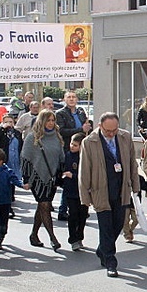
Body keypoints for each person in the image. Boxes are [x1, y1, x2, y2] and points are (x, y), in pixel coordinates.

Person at [79, 112, 140, 278]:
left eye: (114, 130)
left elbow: (132, 163)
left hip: (121, 189)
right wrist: (85, 196)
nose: (111, 134)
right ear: (100, 126)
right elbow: (84, 170)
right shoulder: (89, 142)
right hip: (101, 190)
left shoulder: (125, 137)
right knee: (105, 227)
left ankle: (102, 250)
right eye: (107, 131)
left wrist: (135, 185)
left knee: (118, 224)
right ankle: (111, 261)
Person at [21, 110, 65, 251]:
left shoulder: (57, 136)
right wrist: (26, 179)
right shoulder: (32, 137)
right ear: (42, 121)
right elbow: (26, 159)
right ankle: (53, 237)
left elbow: (61, 157)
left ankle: (34, 235)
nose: (51, 123)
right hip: (37, 178)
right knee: (45, 205)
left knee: (42, 207)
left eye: (53, 120)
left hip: (52, 178)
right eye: (48, 120)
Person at [55, 91, 93, 221]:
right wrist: (80, 130)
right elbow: (61, 131)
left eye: (74, 97)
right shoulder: (60, 114)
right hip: (69, 149)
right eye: (69, 97)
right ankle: (63, 209)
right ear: (65, 99)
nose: (71, 99)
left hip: (83, 150)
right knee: (69, 180)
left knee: (82, 179)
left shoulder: (81, 112)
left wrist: (88, 128)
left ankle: (81, 206)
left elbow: (86, 129)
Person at [0, 148, 24, 251]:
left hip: (5, 201)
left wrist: (22, 185)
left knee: (3, 223)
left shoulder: (7, 171)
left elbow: (15, 180)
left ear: (0, 161)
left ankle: (2, 235)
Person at [62, 133, 88, 251]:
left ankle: (79, 237)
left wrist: (73, 175)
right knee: (72, 215)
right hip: (70, 191)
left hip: (82, 191)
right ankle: (73, 239)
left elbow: (87, 175)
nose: (72, 146)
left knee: (82, 216)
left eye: (75, 145)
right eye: (72, 143)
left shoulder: (85, 158)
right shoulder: (67, 155)